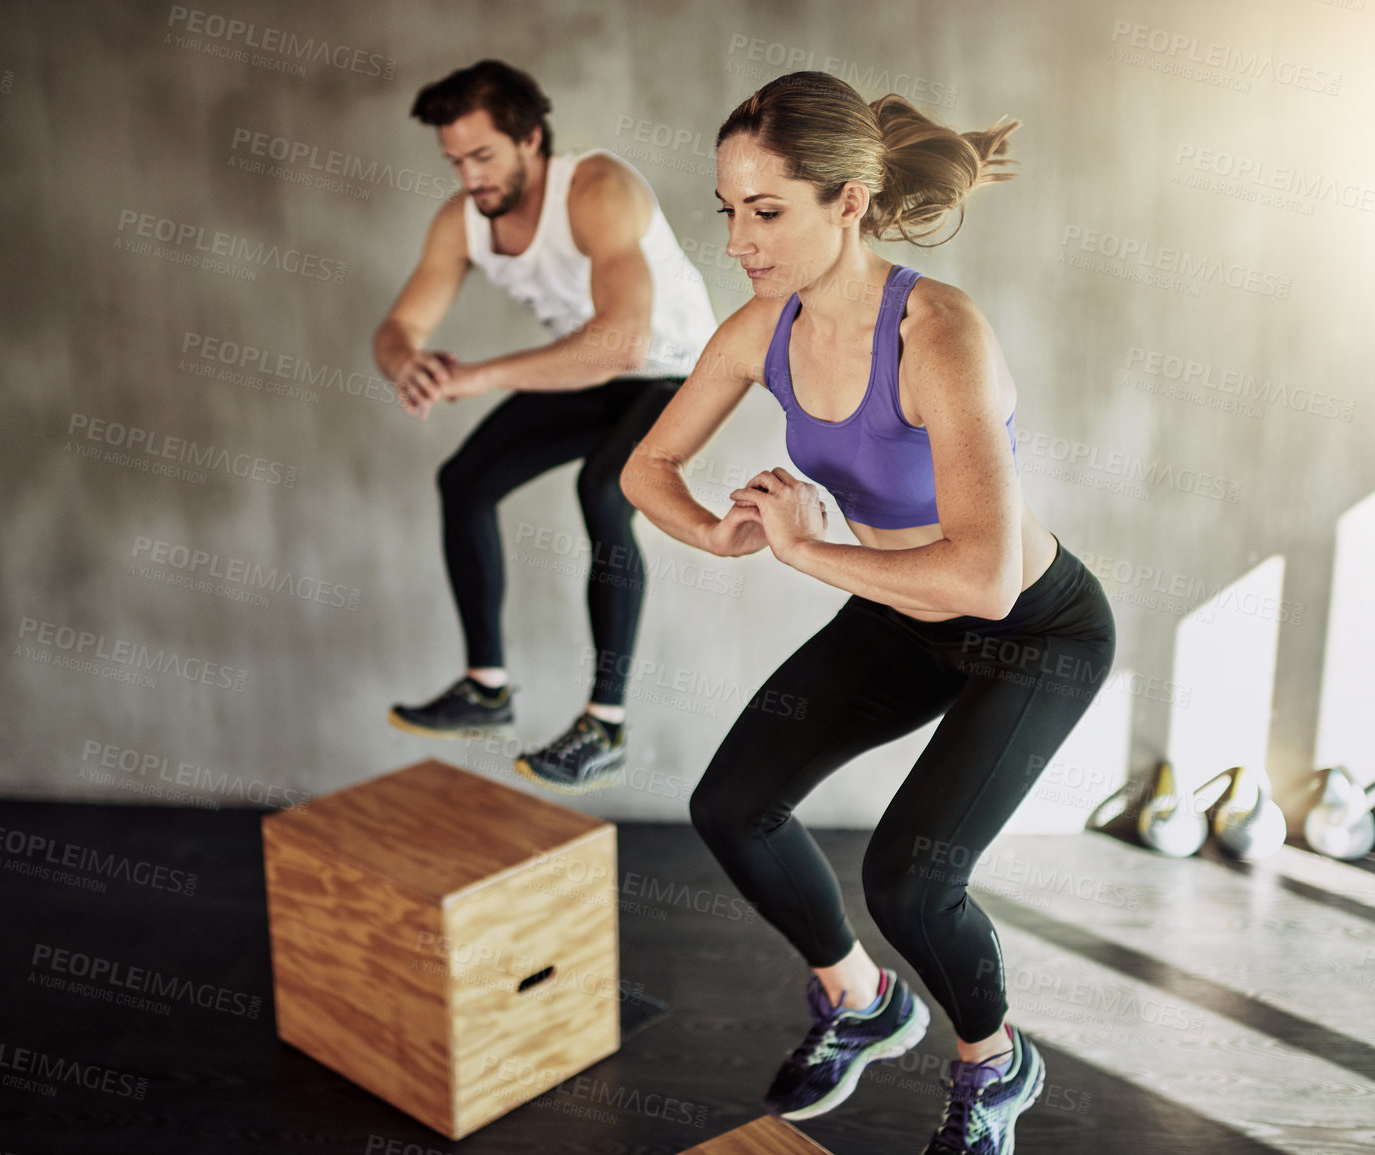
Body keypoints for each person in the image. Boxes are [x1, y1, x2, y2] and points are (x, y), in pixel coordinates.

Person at [620, 71, 1117, 1154]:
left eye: (767, 212)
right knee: (732, 806)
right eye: (729, 212)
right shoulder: (762, 331)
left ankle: (995, 1060)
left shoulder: (939, 332)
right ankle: (862, 1002)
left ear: (847, 202)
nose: (740, 241)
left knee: (910, 880)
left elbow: (984, 581)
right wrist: (713, 532)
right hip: (901, 612)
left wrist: (807, 549)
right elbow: (645, 466)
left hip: (1032, 630)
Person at [376, 60, 717, 792]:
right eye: (454, 161)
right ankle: (485, 687)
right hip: (588, 376)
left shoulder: (597, 190)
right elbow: (400, 324)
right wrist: (407, 360)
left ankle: (606, 722)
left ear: (530, 139)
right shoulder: (463, 219)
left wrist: (479, 374)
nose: (469, 177)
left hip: (679, 372)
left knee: (605, 491)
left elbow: (621, 342)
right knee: (462, 479)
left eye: (482, 156)